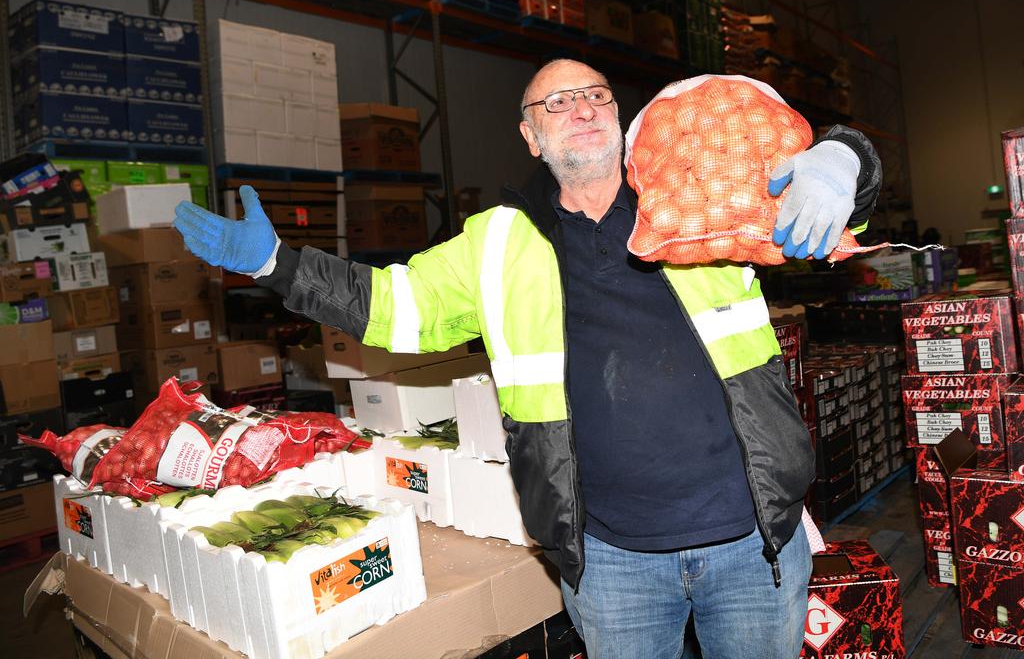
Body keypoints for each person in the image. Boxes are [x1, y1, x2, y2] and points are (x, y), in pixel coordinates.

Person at [174, 60, 881, 659]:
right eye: (557, 102)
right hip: (611, 561)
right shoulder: (495, 244)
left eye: (596, 95)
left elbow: (828, 201)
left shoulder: (697, 190)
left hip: (752, 541)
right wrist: (276, 263)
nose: (581, 109)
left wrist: (845, 158)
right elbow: (388, 304)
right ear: (531, 136)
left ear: (619, 116)